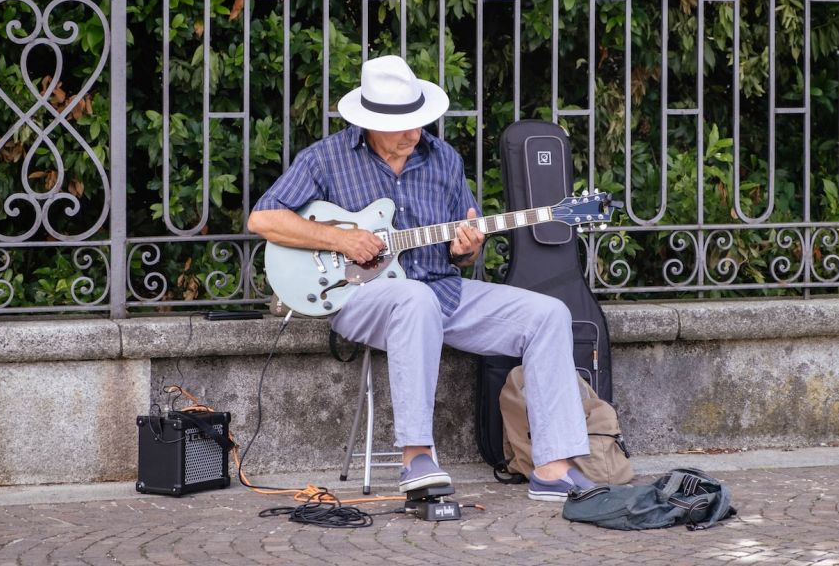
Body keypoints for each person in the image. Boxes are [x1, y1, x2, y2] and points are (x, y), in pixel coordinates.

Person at [248, 55, 595, 501]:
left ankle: (553, 468)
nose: (415, 133)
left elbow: (464, 250)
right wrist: (339, 240)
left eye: (420, 121)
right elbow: (264, 219)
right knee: (414, 299)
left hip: (441, 290)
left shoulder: (443, 159)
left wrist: (469, 248)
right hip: (360, 298)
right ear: (370, 122)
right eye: (402, 126)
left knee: (548, 313)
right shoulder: (326, 158)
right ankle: (417, 458)